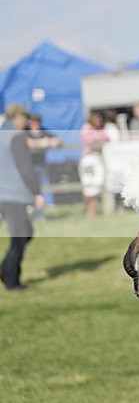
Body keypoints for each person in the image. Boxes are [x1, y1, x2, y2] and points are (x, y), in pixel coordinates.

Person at [0, 105, 45, 291]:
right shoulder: (15, 137)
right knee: (19, 237)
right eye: (24, 118)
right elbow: (25, 167)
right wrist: (36, 192)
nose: (26, 122)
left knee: (25, 231)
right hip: (13, 194)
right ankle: (12, 281)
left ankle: (5, 268)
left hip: (4, 194)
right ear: (16, 117)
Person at [25, 114, 62, 219]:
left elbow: (57, 140)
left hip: (40, 165)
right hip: (27, 166)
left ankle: (39, 214)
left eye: (37, 122)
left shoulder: (43, 131)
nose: (35, 125)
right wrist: (39, 143)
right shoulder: (24, 132)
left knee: (40, 189)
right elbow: (26, 142)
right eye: (33, 122)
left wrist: (49, 142)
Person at [79, 112, 110, 219]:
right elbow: (89, 140)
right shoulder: (86, 127)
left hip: (98, 158)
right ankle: (90, 212)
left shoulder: (100, 129)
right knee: (89, 184)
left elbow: (106, 138)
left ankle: (93, 212)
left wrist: (97, 137)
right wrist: (98, 138)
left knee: (97, 184)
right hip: (89, 158)